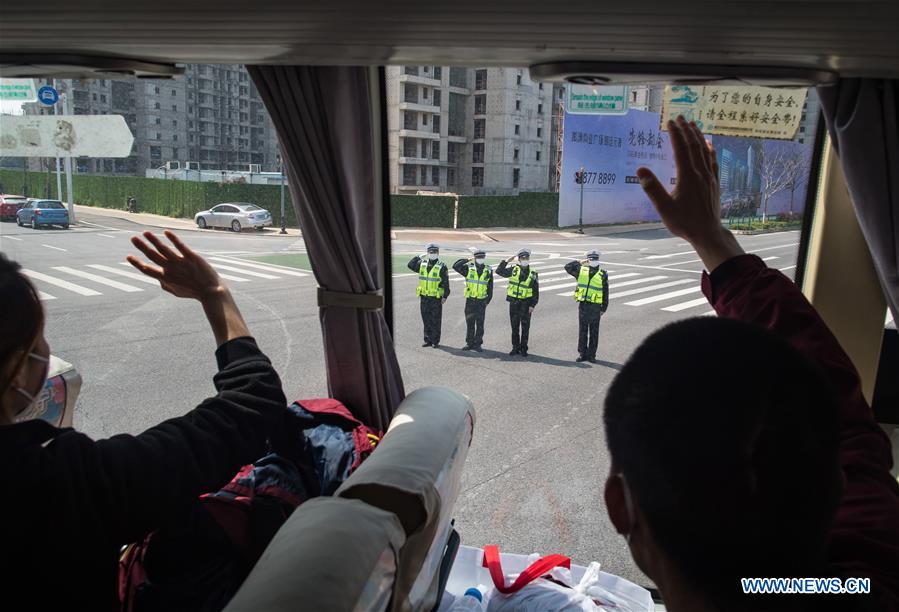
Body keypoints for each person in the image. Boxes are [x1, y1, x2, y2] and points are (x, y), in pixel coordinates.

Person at [602, 117, 899, 611]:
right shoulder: (868, 579)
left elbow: (841, 422)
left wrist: (709, 238)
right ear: (839, 485)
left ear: (620, 506)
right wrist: (713, 239)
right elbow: (837, 420)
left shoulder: (870, 561)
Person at [0, 230, 295, 609]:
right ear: (16, 367)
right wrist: (214, 293)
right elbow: (254, 402)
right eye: (38, 338)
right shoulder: (72, 483)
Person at [564, 250, 608, 363]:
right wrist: (580, 262)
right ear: (588, 260)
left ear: (598, 260)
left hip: (596, 307)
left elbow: (605, 291)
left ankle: (592, 355)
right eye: (591, 259)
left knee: (594, 332)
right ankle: (582, 354)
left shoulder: (603, 274)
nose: (593, 261)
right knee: (582, 331)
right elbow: (567, 267)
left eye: (595, 259)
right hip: (584, 305)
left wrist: (604, 308)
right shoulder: (581, 271)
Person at [496, 249, 539, 357]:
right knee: (514, 327)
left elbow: (535, 291)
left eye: (526, 258)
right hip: (514, 302)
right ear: (519, 259)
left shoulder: (533, 273)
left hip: (526, 303)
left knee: (525, 328)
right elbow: (499, 271)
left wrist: (532, 305)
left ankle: (524, 349)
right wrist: (507, 261)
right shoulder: (513, 270)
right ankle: (515, 348)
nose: (525, 260)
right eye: (523, 258)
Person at [407, 243, 450, 348]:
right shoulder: (422, 264)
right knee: (426, 319)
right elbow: (410, 265)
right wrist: (417, 257)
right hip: (424, 297)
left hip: (435, 298)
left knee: (435, 320)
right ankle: (428, 340)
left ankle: (435, 341)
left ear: (438, 253)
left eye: (434, 252)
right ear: (427, 253)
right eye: (430, 252)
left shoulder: (442, 266)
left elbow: (446, 283)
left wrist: (445, 296)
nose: (432, 254)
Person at [453, 248, 494, 351]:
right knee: (470, 323)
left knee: (480, 324)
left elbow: (490, 287)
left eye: (482, 257)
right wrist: (467, 259)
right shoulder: (468, 268)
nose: (480, 258)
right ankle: (469, 343)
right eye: (478, 257)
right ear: (475, 258)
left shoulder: (488, 270)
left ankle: (478, 344)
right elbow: (455, 266)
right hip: (470, 300)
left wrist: (487, 301)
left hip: (481, 301)